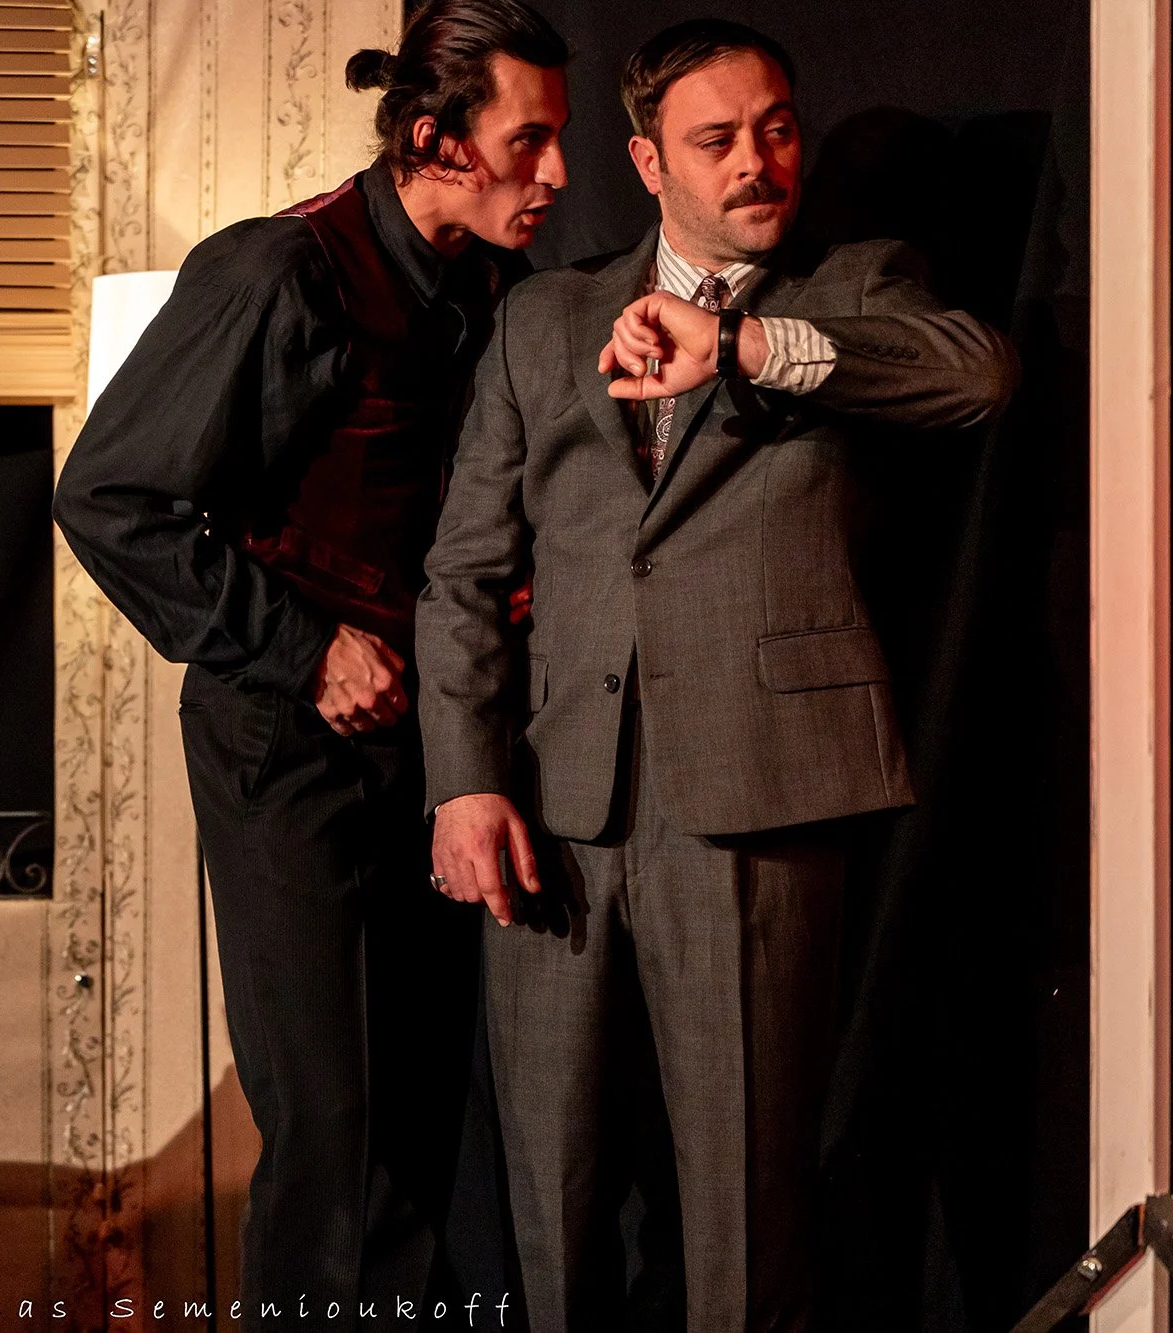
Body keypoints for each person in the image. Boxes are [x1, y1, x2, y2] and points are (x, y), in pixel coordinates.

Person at [416, 19, 1017, 1332]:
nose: (758, 161)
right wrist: (461, 783)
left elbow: (974, 373)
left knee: (749, 1214)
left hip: (758, 799)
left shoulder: (853, 283)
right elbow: (462, 575)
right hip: (555, 815)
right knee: (551, 1207)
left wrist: (741, 345)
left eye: (777, 129)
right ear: (647, 162)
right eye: (717, 139)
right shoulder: (541, 316)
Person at [52, 2, 568, 1323]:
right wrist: (302, 646)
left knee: (421, 1120)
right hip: (283, 742)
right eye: (529, 142)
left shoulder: (491, 289)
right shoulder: (276, 272)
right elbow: (110, 498)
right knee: (332, 1129)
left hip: (433, 743)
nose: (557, 174)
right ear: (435, 141)